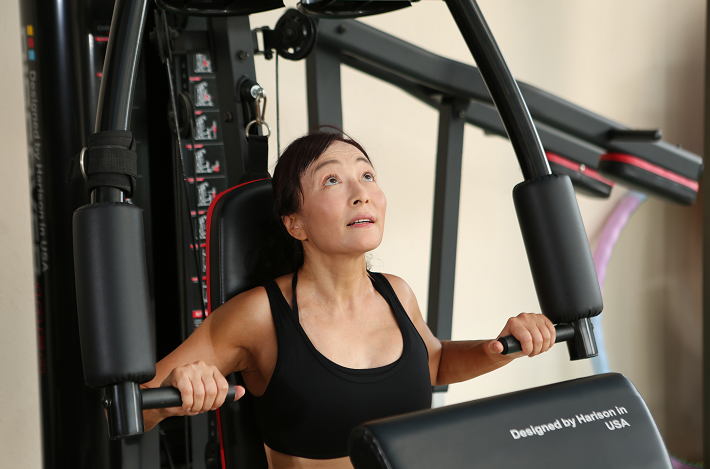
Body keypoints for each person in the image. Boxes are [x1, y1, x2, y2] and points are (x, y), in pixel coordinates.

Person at [142, 130, 556, 469]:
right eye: (332, 180)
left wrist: (503, 347)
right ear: (296, 223)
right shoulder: (259, 316)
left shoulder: (396, 292)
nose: (361, 193)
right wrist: (177, 390)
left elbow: (435, 363)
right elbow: (129, 406)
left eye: (367, 175)